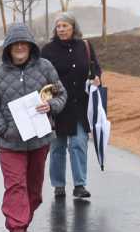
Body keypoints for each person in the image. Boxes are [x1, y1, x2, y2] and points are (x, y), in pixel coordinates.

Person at [0, 21, 66, 232]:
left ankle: (23, 223)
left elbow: (61, 93)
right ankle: (18, 231)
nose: (19, 47)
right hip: (10, 142)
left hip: (39, 140)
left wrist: (51, 105)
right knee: (15, 184)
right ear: (8, 47)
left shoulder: (45, 67)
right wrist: (3, 128)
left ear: (30, 45)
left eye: (23, 43)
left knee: (34, 189)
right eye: (15, 44)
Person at [40, 15, 102, 202]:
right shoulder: (48, 50)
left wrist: (97, 78)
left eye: (65, 26)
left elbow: (95, 68)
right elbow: (41, 74)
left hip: (79, 104)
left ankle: (79, 185)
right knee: (57, 146)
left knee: (78, 144)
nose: (61, 29)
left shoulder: (85, 46)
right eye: (58, 26)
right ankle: (59, 185)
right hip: (57, 105)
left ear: (73, 27)